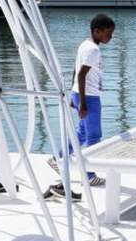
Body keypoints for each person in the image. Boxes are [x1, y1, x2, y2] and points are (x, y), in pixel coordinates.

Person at [48, 13, 114, 197]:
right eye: (108, 33)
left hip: (80, 93)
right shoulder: (93, 50)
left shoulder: (85, 45)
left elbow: (76, 70)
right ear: (97, 31)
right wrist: (83, 103)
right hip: (89, 97)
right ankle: (90, 176)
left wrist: (73, 94)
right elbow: (81, 74)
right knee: (94, 136)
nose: (110, 37)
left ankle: (58, 158)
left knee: (82, 132)